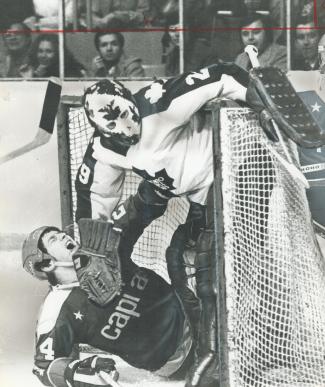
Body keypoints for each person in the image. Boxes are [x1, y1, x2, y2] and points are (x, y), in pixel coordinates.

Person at [75, 63, 275, 386]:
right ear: (101, 128)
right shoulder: (103, 148)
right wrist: (90, 250)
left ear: (130, 98)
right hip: (192, 187)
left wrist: (262, 103)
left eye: (127, 114)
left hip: (232, 171)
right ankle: (205, 344)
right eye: (113, 123)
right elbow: (92, 195)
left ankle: (222, 357)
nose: (126, 128)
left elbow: (222, 75)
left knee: (211, 259)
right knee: (176, 256)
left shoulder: (160, 102)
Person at [22, 216, 208, 387]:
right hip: (181, 355)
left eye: (62, 233)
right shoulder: (57, 308)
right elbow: (43, 367)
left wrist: (153, 192)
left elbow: (135, 217)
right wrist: (78, 371)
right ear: (47, 264)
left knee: (188, 235)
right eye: (54, 239)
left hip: (190, 307)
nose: (63, 236)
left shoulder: (98, 250)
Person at [20, 34, 87, 78]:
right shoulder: (31, 69)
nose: (43, 55)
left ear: (58, 53)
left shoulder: (70, 70)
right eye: (40, 51)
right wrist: (30, 78)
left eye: (49, 51)